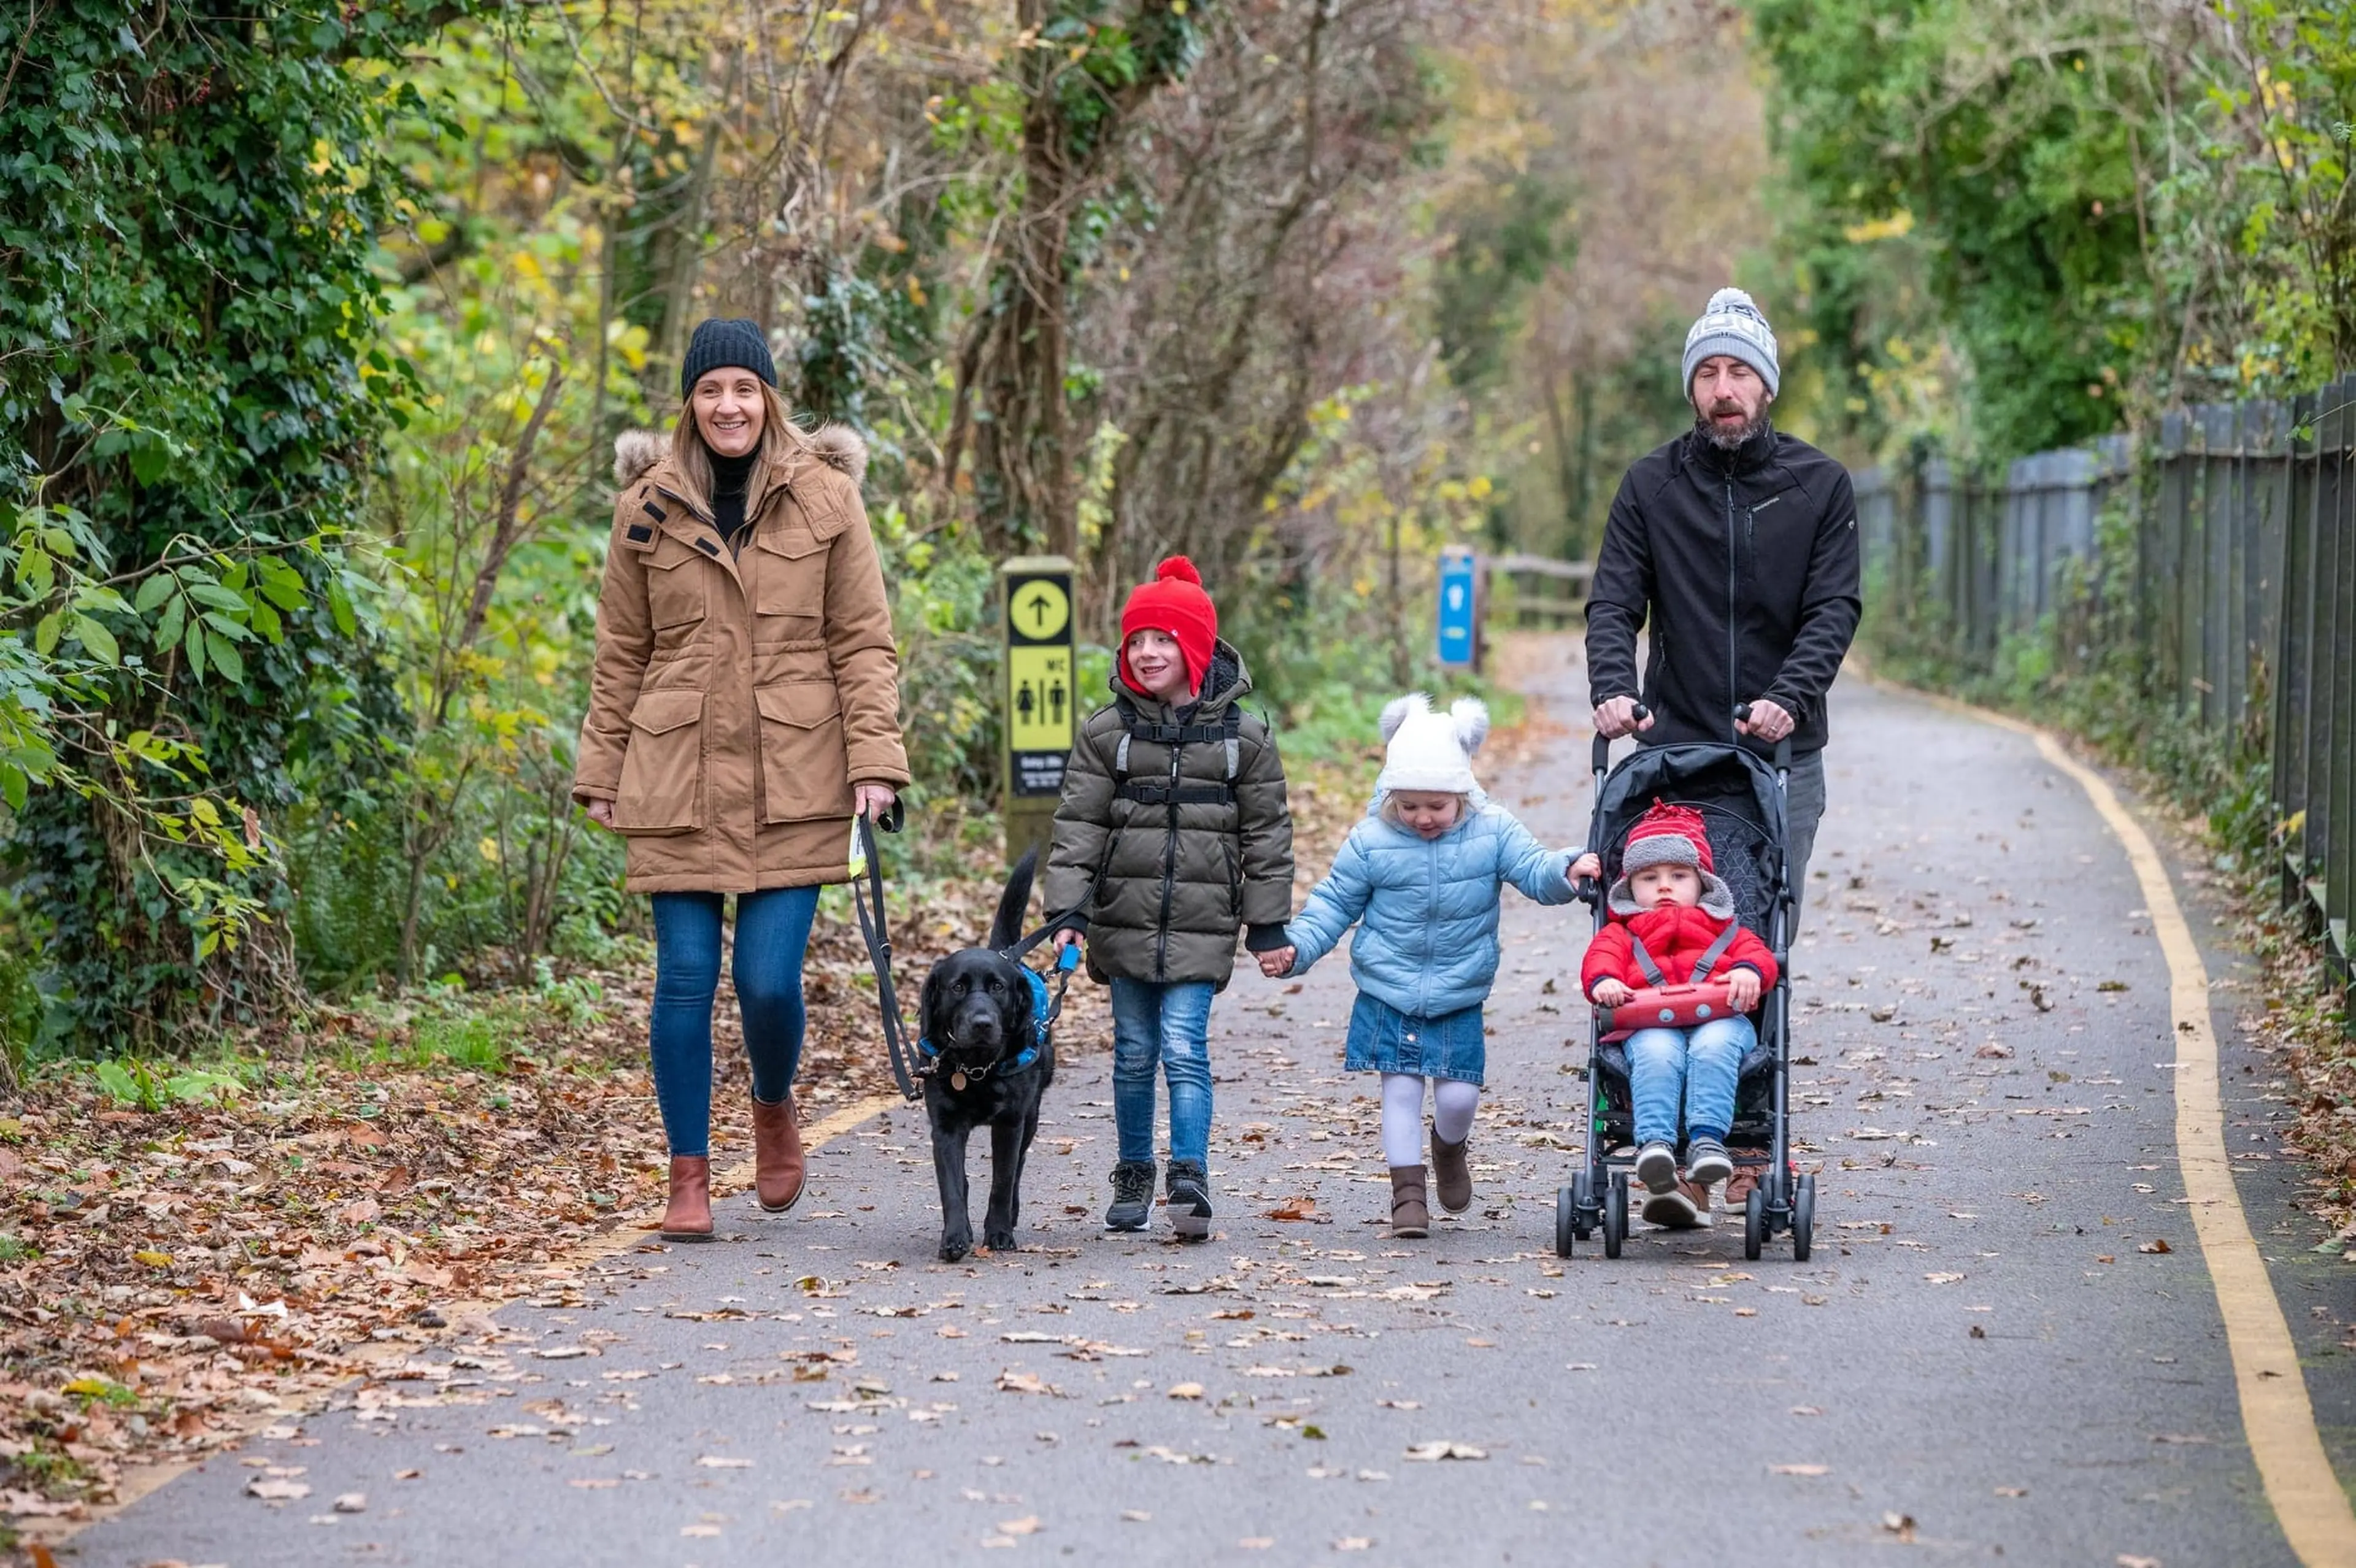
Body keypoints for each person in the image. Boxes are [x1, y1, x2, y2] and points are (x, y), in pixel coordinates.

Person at [572, 318, 909, 1243]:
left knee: (766, 983)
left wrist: (876, 761)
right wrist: (601, 768)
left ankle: (771, 1103)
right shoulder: (644, 506)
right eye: (712, 389)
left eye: (745, 389)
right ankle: (687, 1175)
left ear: (769, 400)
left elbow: (864, 644)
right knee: (683, 976)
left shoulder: (828, 499)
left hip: (799, 769)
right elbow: (620, 654)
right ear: (691, 401)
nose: (729, 406)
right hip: (675, 767)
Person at [1266, 695, 1600, 1238]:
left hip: (1458, 992)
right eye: (1410, 806)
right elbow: (1332, 904)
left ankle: (1449, 1148)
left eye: (1436, 807)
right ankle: (1408, 1197)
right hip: (1387, 991)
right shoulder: (1371, 840)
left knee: (1458, 1096)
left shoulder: (1493, 830)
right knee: (1400, 1091)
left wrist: (1566, 868)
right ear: (1391, 796)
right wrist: (1296, 948)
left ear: (1463, 795)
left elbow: (1534, 870)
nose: (1423, 818)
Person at [1585, 286, 1861, 920]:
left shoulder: (1819, 486)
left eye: (1739, 372)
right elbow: (1614, 603)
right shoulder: (1650, 486)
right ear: (1691, 390)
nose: (1723, 389)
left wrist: (1788, 698)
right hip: (1672, 750)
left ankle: (1756, 1023)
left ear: (1766, 384)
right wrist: (1612, 689)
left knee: (1767, 926)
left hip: (1783, 750)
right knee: (1660, 919)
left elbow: (1834, 608)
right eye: (1707, 374)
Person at [1045, 557, 1295, 1239]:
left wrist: (1267, 923)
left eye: (1162, 639)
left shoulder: (1245, 737)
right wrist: (1066, 912)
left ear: (1196, 646)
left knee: (1184, 1048)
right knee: (1132, 1051)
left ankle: (1190, 1174)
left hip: (1202, 921)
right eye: (1136, 641)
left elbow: (1268, 832)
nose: (1147, 653)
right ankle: (1133, 1170)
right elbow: (1078, 826)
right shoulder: (1108, 734)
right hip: (1121, 920)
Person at [1580, 801, 1778, 1228]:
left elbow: (1760, 957)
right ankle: (1656, 1146)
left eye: (1679, 876)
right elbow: (1599, 961)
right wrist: (1604, 983)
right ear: (1629, 886)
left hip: (1720, 1021)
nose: (1664, 887)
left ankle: (1708, 1142)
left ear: (1703, 882)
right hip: (1650, 1023)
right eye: (1649, 878)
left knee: (1714, 1046)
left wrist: (1748, 972)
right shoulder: (1622, 932)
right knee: (1656, 1051)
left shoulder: (1724, 927)